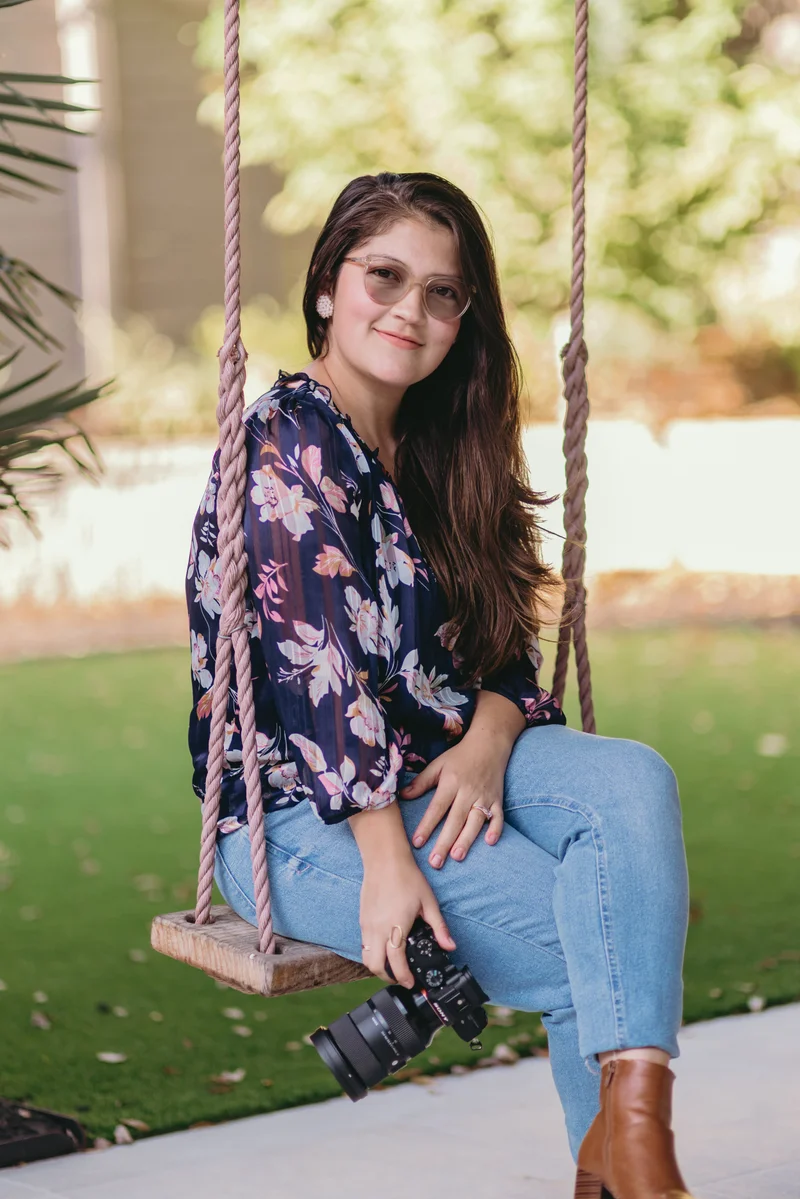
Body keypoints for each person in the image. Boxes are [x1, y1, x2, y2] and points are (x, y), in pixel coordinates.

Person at [186, 171, 694, 1199]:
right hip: (298, 818)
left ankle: (635, 1150)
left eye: (441, 292)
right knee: (590, 939)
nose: (408, 310)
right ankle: (628, 1176)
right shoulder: (284, 447)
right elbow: (322, 685)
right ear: (327, 286)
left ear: (464, 317)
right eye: (384, 276)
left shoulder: (440, 442)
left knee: (633, 780)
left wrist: (489, 742)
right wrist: (385, 863)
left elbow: (507, 651)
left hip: (443, 764)